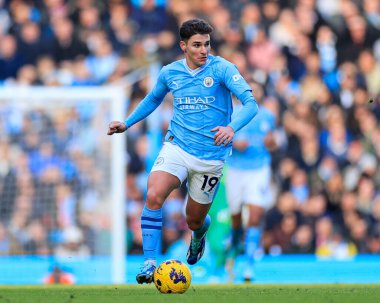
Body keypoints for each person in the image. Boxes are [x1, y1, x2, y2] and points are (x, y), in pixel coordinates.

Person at [107, 18, 258, 284]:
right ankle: (149, 264)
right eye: (197, 45)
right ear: (183, 46)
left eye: (207, 44)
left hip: (211, 157)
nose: (203, 50)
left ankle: (199, 235)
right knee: (153, 194)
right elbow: (153, 98)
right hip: (177, 146)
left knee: (194, 220)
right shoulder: (170, 73)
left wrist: (232, 128)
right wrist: (127, 123)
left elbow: (250, 104)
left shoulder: (223, 69)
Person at [225, 91, 277, 282]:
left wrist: (271, 142)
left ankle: (248, 264)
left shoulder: (267, 116)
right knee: (236, 218)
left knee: (255, 216)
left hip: (259, 169)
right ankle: (234, 250)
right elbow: (219, 138)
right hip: (236, 170)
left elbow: (273, 142)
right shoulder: (232, 113)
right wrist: (234, 143)